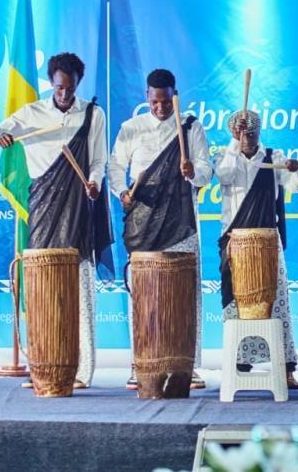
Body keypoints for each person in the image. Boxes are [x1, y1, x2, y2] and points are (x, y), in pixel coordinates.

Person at [0, 52, 113, 389]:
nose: (64, 94)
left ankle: (82, 371)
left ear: (78, 83)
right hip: (43, 208)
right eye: (58, 88)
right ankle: (44, 365)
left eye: (69, 88)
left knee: (81, 291)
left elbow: (99, 160)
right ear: (51, 83)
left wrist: (94, 182)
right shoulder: (33, 113)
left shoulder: (93, 114)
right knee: (43, 291)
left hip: (79, 206)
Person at [108, 69, 213, 391]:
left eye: (166, 102)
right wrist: (122, 191)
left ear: (174, 97)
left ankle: (187, 366)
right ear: (147, 97)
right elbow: (115, 166)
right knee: (143, 295)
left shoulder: (190, 127)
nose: (160, 108)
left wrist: (192, 172)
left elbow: (207, 171)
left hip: (181, 220)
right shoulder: (132, 128)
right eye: (155, 102)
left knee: (185, 294)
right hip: (144, 220)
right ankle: (140, 363)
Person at [215, 110, 298, 389]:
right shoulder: (224, 156)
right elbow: (224, 176)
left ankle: (286, 367)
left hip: (267, 242)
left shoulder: (274, 157)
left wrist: (294, 170)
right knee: (235, 303)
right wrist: (233, 144)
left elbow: (297, 187)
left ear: (259, 133)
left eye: (252, 134)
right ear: (234, 134)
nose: (247, 139)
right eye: (242, 134)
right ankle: (240, 361)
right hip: (235, 241)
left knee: (278, 303)